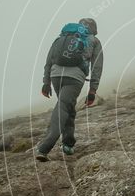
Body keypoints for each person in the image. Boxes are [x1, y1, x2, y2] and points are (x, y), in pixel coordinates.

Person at [36, 18, 103, 161]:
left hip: (55, 76)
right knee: (63, 108)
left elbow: (49, 60)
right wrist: (92, 90)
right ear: (94, 29)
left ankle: (68, 143)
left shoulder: (62, 37)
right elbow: (97, 67)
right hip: (75, 78)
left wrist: (46, 82)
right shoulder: (94, 41)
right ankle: (44, 148)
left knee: (68, 107)